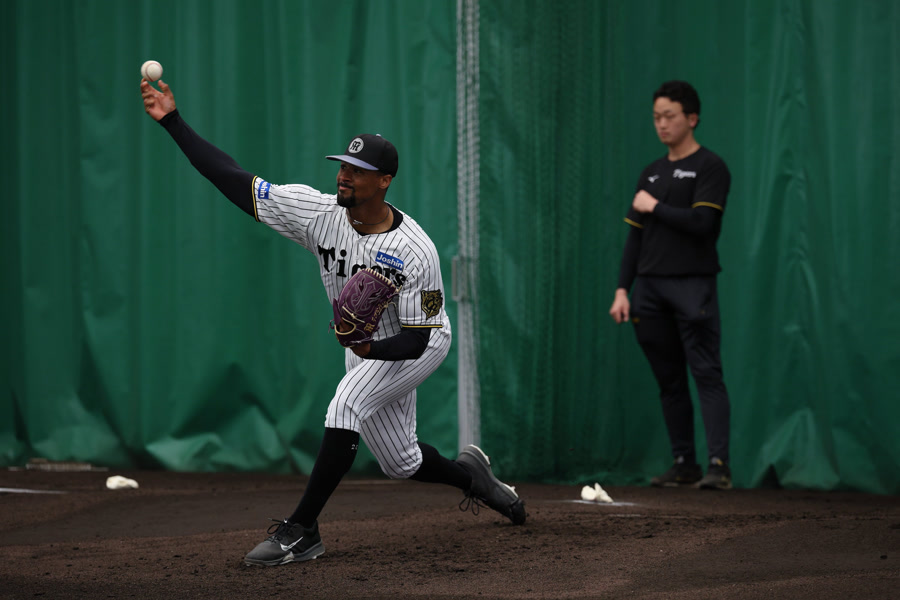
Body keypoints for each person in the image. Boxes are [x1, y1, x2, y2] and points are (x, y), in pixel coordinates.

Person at [140, 78, 526, 567]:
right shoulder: (318, 213)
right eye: (343, 165)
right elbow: (233, 178)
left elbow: (416, 338)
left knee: (346, 403)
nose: (344, 176)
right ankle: (474, 477)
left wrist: (368, 351)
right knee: (401, 461)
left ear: (384, 181)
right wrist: (173, 121)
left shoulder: (417, 250)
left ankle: (301, 530)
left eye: (357, 171)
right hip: (365, 344)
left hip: (416, 343)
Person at [608, 80, 733, 490]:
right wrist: (622, 290)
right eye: (656, 117)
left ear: (691, 118)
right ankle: (684, 463)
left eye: (669, 116)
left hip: (693, 287)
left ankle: (719, 466)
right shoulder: (651, 172)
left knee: (706, 373)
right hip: (649, 292)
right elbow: (635, 238)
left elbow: (703, 223)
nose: (662, 124)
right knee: (669, 380)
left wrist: (656, 206)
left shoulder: (710, 167)